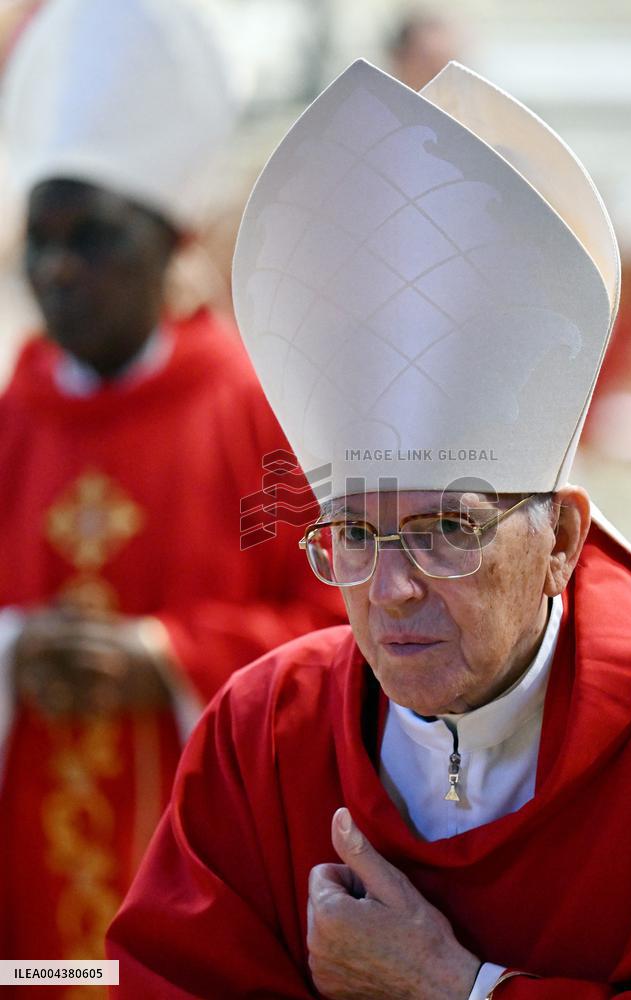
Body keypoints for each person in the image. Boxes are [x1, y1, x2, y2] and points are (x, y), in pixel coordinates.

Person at [108, 61, 631, 999]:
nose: (391, 590)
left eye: (447, 527)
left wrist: (458, 987)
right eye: (356, 536)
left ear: (562, 541)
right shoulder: (261, 732)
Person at [0, 0, 342, 982]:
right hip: (29, 856)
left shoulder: (254, 411)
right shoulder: (14, 414)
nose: (59, 270)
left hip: (194, 846)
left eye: (93, 237)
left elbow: (334, 627)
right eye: (40, 240)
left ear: (167, 240)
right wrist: (14, 648)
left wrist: (165, 657)